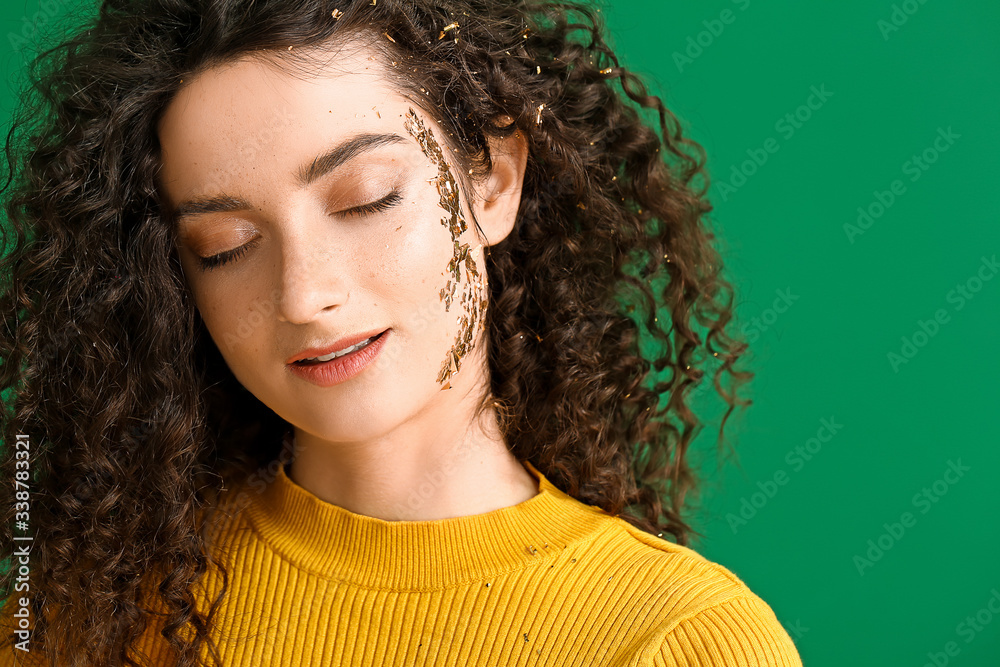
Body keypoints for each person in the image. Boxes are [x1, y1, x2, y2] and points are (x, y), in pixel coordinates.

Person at [0, 0, 804, 665]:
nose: (305, 293)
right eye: (227, 247)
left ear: (491, 180)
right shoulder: (82, 616)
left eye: (366, 198)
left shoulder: (679, 639)